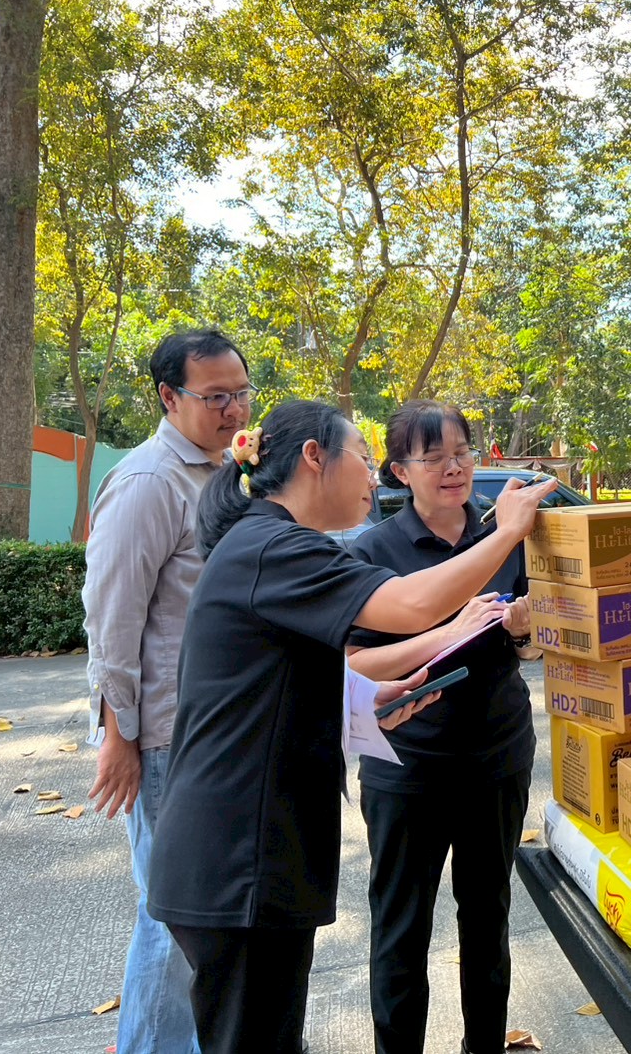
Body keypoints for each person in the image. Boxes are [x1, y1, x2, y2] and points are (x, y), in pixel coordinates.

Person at [146, 399, 556, 1054]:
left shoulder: (266, 543)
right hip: (241, 856)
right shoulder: (275, 547)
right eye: (364, 459)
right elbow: (412, 605)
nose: (371, 476)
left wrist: (361, 699)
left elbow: (272, 681)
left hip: (251, 853)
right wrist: (506, 532)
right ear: (315, 458)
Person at [344, 401, 535, 1054]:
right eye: (434, 457)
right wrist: (445, 631)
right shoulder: (374, 550)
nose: (454, 468)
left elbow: (532, 648)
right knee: (401, 930)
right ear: (400, 471)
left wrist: (523, 631)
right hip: (407, 767)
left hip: (497, 758)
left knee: (488, 921)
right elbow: (352, 663)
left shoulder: (505, 536)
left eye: (461, 453)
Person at [82, 327, 253, 1054]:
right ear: (168, 396)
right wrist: (118, 738)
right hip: (163, 738)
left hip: (214, 732)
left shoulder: (224, 474)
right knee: (173, 915)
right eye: (215, 397)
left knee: (199, 913)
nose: (233, 410)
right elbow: (111, 622)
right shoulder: (149, 482)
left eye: (241, 393)